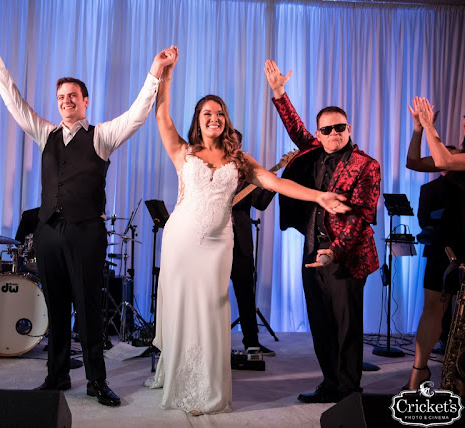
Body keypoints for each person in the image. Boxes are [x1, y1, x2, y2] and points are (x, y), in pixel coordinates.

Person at [0, 19, 175, 406]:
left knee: (88, 309)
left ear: (86, 102)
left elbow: (137, 114)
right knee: (56, 308)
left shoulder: (101, 136)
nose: (66, 101)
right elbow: (14, 100)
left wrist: (154, 73)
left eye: (73, 96)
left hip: (87, 232)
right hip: (49, 232)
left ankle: (97, 382)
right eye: (61, 97)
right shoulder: (43, 133)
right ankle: (57, 377)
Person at [147, 47, 350, 415]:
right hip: (179, 242)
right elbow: (161, 114)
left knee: (211, 308)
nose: (215, 118)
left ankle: (206, 386)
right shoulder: (183, 151)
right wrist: (167, 75)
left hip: (217, 246)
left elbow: (274, 182)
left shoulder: (239, 159)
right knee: (181, 309)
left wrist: (319, 196)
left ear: (226, 120)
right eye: (208, 113)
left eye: (220, 113)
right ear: (198, 119)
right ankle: (177, 375)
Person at [264, 60, 381, 403]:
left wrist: (334, 251)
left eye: (339, 128)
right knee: (320, 321)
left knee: (346, 326)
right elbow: (295, 128)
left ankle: (350, 389)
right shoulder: (313, 151)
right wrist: (279, 93)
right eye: (326, 130)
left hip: (347, 255)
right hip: (311, 250)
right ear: (318, 134)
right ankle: (331, 382)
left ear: (349, 128)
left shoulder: (366, 165)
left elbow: (362, 216)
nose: (333, 134)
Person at [404, 96, 465, 390]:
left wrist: (430, 126)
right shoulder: (455, 158)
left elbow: (443, 159)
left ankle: (457, 374)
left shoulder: (456, 159)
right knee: (432, 307)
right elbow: (414, 162)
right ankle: (419, 372)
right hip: (445, 243)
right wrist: (418, 130)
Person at [230, 131, 279, 356]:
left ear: (240, 144)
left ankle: (252, 342)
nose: (231, 145)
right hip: (213, 243)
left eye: (235, 142)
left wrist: (273, 184)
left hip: (240, 242)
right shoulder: (210, 167)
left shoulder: (247, 172)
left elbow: (260, 204)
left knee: (245, 294)